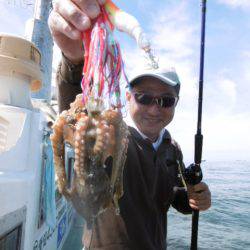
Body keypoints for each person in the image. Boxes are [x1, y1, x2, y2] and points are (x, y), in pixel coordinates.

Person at [49, 1, 211, 249]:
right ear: (127, 98)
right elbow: (76, 114)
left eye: (166, 100)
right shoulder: (115, 139)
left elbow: (169, 196)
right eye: (144, 97)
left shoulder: (171, 148)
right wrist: (73, 59)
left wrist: (192, 199)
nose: (155, 108)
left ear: (176, 103)